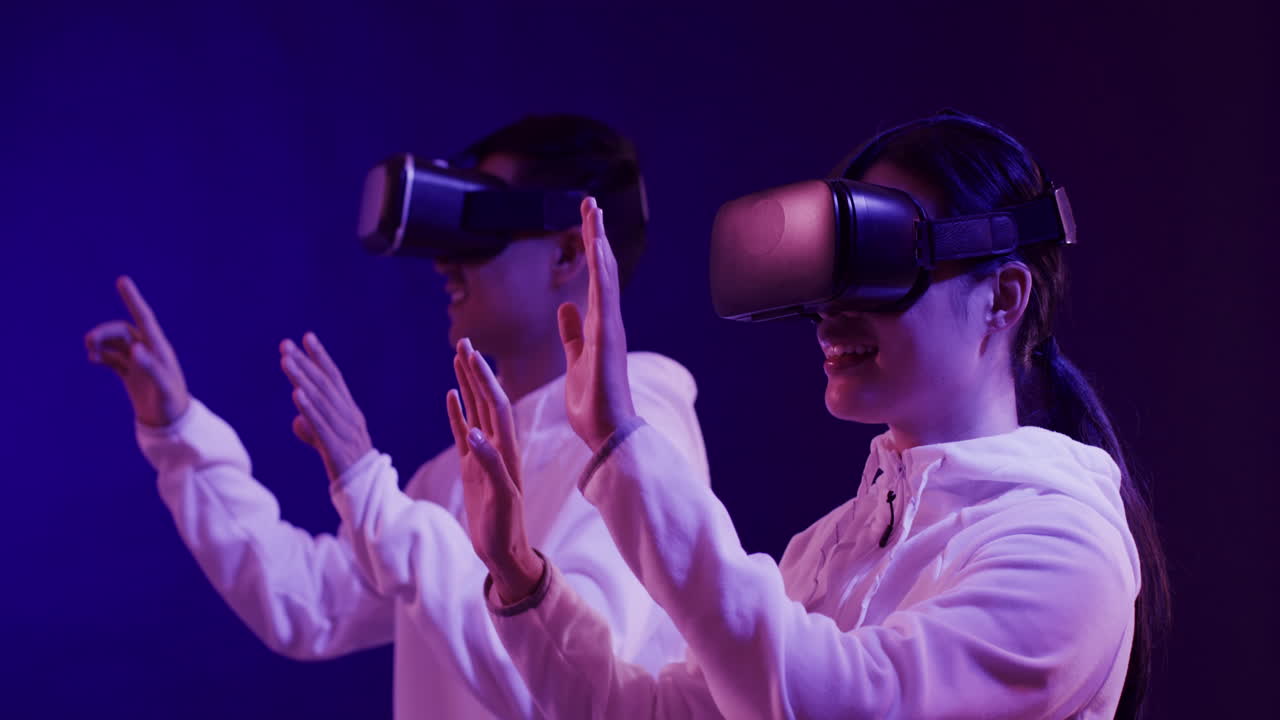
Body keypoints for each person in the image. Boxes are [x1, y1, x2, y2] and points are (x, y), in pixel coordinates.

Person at [439, 112, 1171, 719]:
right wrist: (519, 575)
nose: (829, 313)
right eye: (827, 274)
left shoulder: (1065, 549)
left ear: (1003, 298)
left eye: (876, 261)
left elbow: (836, 704)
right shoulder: (829, 551)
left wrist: (625, 448)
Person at [84, 114, 711, 720]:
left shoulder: (638, 444)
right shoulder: (450, 479)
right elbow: (306, 604)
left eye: (477, 227)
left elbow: (571, 691)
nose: (444, 263)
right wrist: (177, 432)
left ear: (568, 253)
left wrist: (371, 492)